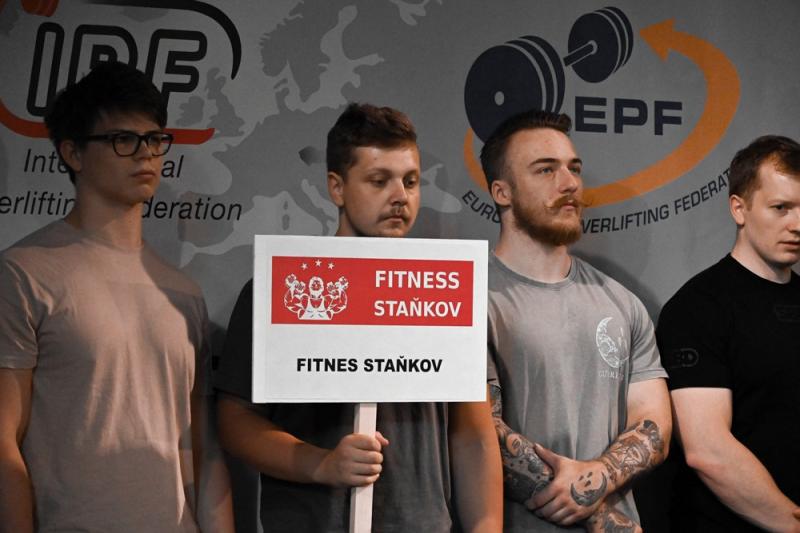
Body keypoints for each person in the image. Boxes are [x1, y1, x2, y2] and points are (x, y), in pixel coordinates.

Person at [215, 102, 503, 532]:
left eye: (410, 181)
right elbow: (235, 421)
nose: (400, 196)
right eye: (379, 180)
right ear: (337, 187)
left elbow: (474, 435)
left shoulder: (444, 288)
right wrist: (321, 464)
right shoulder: (283, 287)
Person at [0, 61, 233, 533]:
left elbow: (203, 451)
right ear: (73, 153)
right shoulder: (24, 273)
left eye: (154, 139)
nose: (145, 154)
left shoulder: (184, 293)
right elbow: (4, 441)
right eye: (123, 139)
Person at [480, 109, 671, 532]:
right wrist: (604, 517)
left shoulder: (622, 303)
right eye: (545, 170)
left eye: (574, 168)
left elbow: (654, 425)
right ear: (502, 191)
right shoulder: (470, 298)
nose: (569, 184)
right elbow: (480, 432)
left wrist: (598, 474)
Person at [656, 135, 800, 532]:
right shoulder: (697, 308)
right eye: (781, 208)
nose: (797, 225)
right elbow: (708, 450)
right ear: (739, 208)